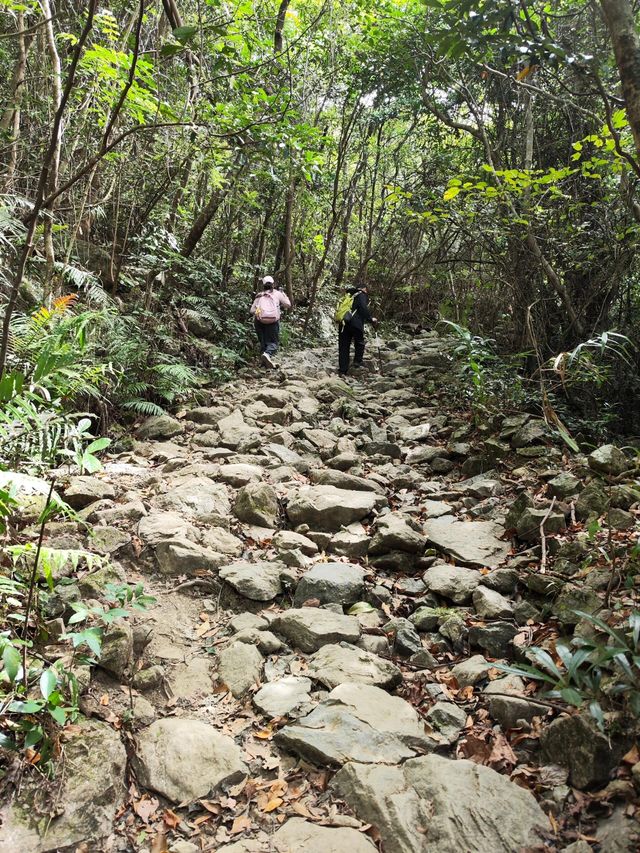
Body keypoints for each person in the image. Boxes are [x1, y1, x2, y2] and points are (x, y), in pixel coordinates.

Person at [250, 275, 291, 368]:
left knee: (263, 342)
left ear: (263, 285)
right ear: (273, 284)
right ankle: (267, 355)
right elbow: (288, 305)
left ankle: (264, 364)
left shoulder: (259, 295)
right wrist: (284, 294)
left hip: (259, 321)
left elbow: (252, 311)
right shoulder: (277, 294)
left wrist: (259, 312)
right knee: (273, 343)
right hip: (273, 322)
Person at [338, 284, 378, 376]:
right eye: (366, 290)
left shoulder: (348, 295)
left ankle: (342, 370)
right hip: (355, 323)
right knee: (359, 342)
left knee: (343, 346)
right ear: (364, 289)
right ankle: (357, 362)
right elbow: (363, 308)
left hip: (344, 322)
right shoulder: (361, 295)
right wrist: (370, 319)